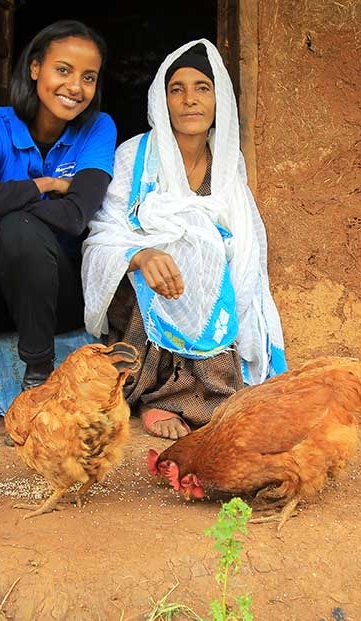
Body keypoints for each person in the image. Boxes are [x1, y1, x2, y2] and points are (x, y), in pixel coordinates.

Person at [81, 38, 286, 440]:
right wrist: (140, 253)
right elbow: (104, 231)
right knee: (180, 254)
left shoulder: (227, 163)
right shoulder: (134, 155)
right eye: (177, 89)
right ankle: (159, 398)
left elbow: (244, 238)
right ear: (163, 100)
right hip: (146, 288)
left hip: (211, 291)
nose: (190, 100)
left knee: (208, 253)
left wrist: (207, 248)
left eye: (202, 88)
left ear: (219, 99)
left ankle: (211, 394)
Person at [0, 19, 117, 442]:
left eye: (88, 77)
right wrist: (46, 186)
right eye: (63, 70)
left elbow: (75, 217)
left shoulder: (97, 128)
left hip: (56, 297)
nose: (75, 87)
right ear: (35, 69)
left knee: (21, 227)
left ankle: (38, 383)